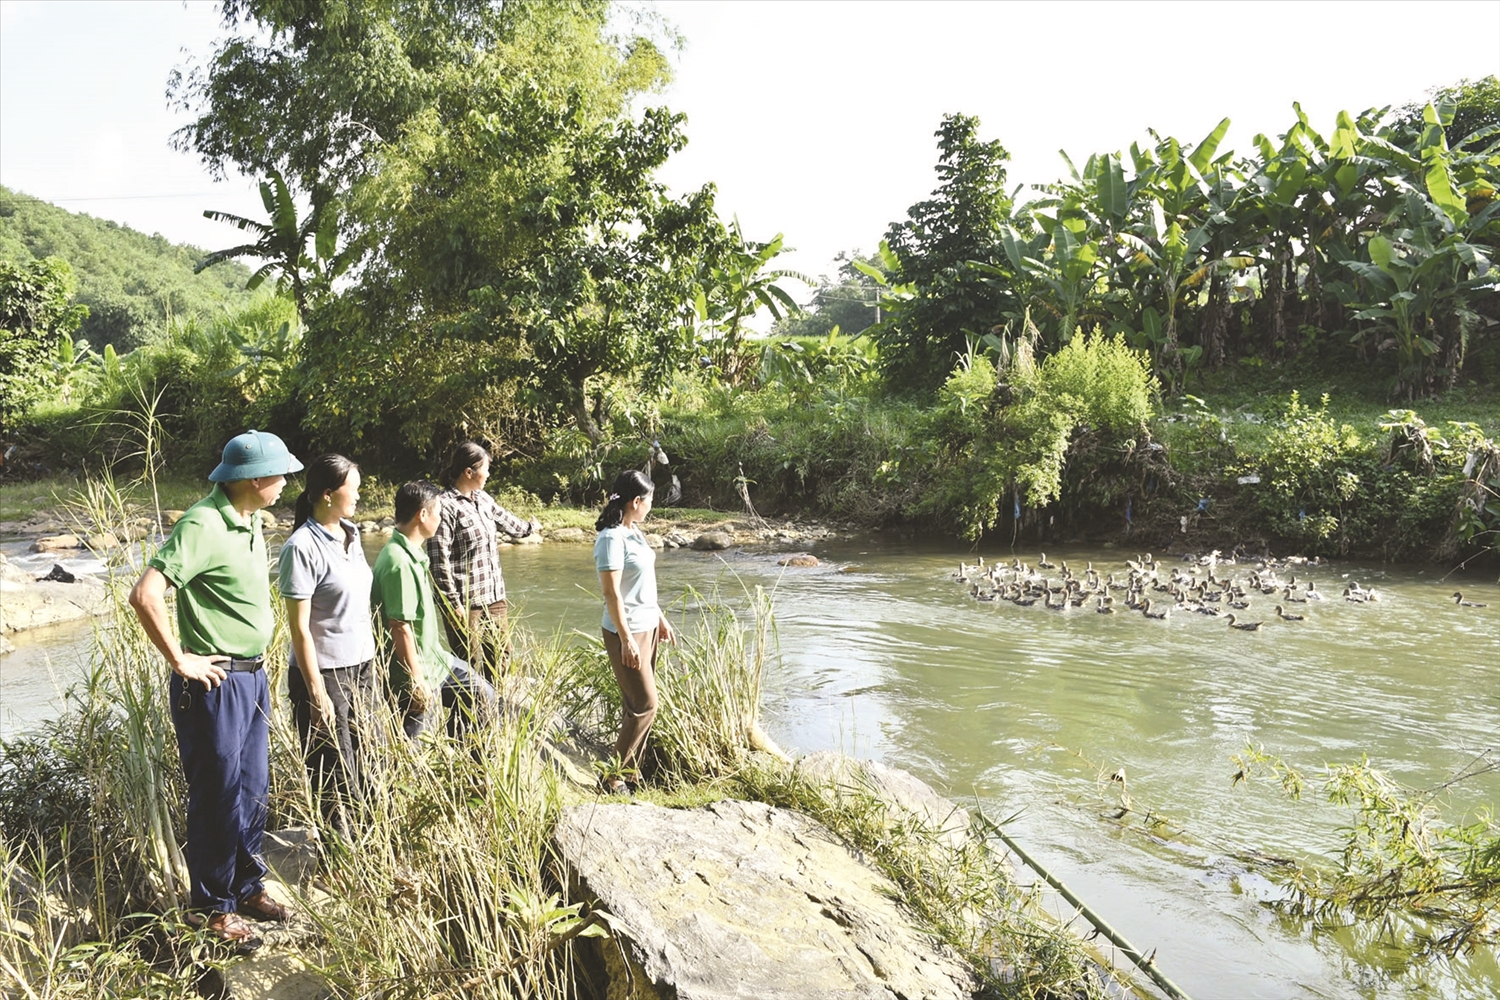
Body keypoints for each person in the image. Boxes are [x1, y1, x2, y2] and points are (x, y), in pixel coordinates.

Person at [128, 430, 303, 951]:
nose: (287, 481)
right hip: (215, 682)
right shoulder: (202, 523)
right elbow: (146, 594)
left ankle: (246, 888)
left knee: (252, 789)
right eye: (280, 473)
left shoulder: (249, 521)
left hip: (252, 676)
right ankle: (211, 908)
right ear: (253, 479)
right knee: (217, 794)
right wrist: (180, 657)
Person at [277, 453, 378, 846]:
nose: (358, 495)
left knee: (368, 760)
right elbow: (299, 629)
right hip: (324, 674)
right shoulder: (301, 547)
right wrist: (316, 691)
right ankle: (339, 857)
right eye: (352, 489)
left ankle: (370, 848)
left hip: (363, 666)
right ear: (327, 494)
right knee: (332, 769)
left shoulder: (351, 534)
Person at [374, 480, 497, 739]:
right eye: (438, 512)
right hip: (415, 669)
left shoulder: (411, 554)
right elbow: (400, 626)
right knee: (413, 739)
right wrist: (416, 681)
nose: (441, 519)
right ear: (422, 514)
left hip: (436, 659)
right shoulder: (399, 561)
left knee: (481, 693)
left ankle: (465, 764)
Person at [427, 441, 541, 680]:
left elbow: (510, 523)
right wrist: (451, 603)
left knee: (501, 657)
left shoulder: (483, 499)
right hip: (465, 604)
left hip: (494, 596)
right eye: (486, 469)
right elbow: (439, 562)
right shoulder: (445, 506)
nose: (489, 474)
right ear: (469, 472)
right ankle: (466, 717)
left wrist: (531, 527)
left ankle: (494, 714)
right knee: (469, 663)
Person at [593, 470, 675, 793]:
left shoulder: (634, 532)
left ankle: (630, 775)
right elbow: (612, 594)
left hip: (648, 627)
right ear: (636, 501)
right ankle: (611, 777)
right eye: (650, 500)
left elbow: (641, 586)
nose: (651, 506)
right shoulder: (611, 538)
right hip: (624, 632)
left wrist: (660, 618)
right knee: (646, 704)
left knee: (635, 706)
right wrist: (626, 639)